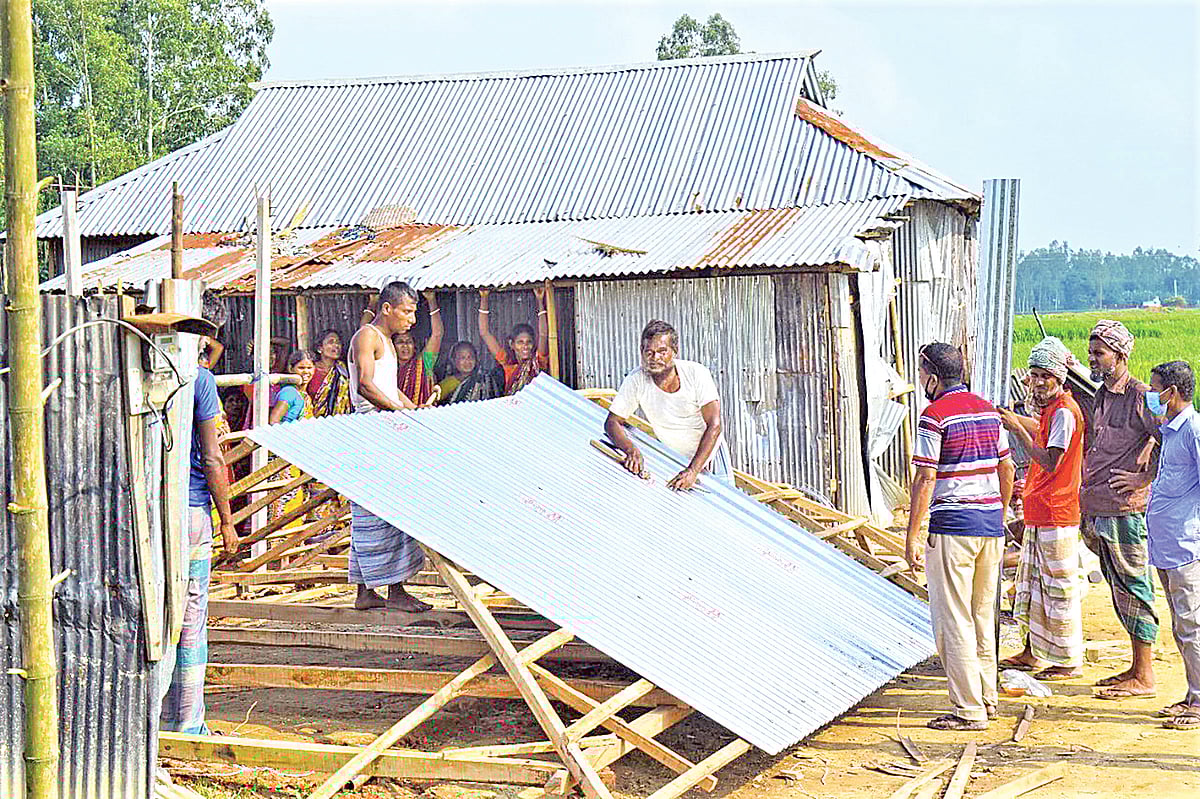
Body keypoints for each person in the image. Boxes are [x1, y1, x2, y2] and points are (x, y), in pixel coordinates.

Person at [906, 343, 1014, 731]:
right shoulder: (987, 409)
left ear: (933, 376)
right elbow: (1007, 466)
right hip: (989, 526)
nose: (920, 381)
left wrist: (912, 535)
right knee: (983, 615)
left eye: (921, 373)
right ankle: (987, 697)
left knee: (953, 619)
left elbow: (925, 477)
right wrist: (999, 513)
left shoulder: (933, 416)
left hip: (952, 526)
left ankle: (968, 709)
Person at [1081, 320, 1162, 700]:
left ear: (1121, 355)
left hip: (1124, 510)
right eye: (1091, 352)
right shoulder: (1101, 395)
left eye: (1099, 353)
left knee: (1134, 585)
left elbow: (1171, 439)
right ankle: (1134, 667)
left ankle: (1144, 675)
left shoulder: (1142, 395)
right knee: (1118, 588)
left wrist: (1143, 480)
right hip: (1100, 505)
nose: (1092, 359)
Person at [160, 343, 238, 733]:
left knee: (153, 613)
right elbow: (211, 456)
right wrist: (227, 520)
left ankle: (151, 718)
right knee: (190, 618)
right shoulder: (199, 379)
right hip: (189, 511)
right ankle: (186, 723)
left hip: (144, 508)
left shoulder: (138, 367)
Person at [999, 337, 1086, 680]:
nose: (1035, 383)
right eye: (1032, 375)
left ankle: (1068, 659)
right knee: (1034, 585)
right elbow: (1044, 431)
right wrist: (1020, 421)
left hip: (1058, 512)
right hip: (1042, 510)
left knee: (1058, 589)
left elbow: (1051, 460)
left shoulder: (1064, 411)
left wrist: (1017, 427)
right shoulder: (1054, 411)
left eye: (1042, 376)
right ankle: (1033, 651)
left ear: (1058, 378)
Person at [347, 281, 430, 612]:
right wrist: (402, 414)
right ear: (387, 309)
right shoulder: (367, 336)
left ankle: (375, 590)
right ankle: (384, 590)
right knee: (377, 512)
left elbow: (390, 391)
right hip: (371, 432)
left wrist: (415, 413)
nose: (411, 320)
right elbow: (366, 387)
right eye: (407, 312)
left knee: (384, 512)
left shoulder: (388, 344)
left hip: (386, 429)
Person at [604, 320, 732, 490]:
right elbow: (612, 422)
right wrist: (630, 450)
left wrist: (693, 471)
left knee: (723, 508)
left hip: (711, 455)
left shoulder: (696, 374)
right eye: (649, 352)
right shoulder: (637, 380)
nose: (655, 358)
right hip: (673, 457)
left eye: (662, 352)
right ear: (641, 352)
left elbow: (714, 426)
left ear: (675, 351)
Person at [1144, 360, 1200, 730]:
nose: (1152, 396)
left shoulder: (1193, 430)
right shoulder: (1171, 430)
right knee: (1182, 625)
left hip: (1186, 545)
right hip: (1167, 545)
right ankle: (1193, 694)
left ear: (1172, 393)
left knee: (1193, 623)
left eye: (1155, 390)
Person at [478, 287, 550, 395]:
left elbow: (543, 334)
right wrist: (484, 297)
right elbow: (484, 333)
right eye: (520, 342)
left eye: (528, 342)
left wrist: (540, 301)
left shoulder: (538, 362)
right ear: (512, 344)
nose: (525, 346)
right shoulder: (507, 362)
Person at [395, 290, 444, 406]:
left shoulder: (423, 364)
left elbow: (437, 334)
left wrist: (432, 301)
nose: (405, 346)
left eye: (409, 342)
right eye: (400, 342)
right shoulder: (386, 368)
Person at [438, 341, 502, 405]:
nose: (467, 361)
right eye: (462, 358)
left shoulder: (485, 379)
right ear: (454, 361)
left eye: (470, 357)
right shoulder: (447, 383)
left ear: (476, 359)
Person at [308, 329, 353, 417]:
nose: (336, 345)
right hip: (314, 420)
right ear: (320, 348)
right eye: (331, 342)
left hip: (342, 420)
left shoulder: (344, 369)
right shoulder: (311, 370)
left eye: (338, 343)